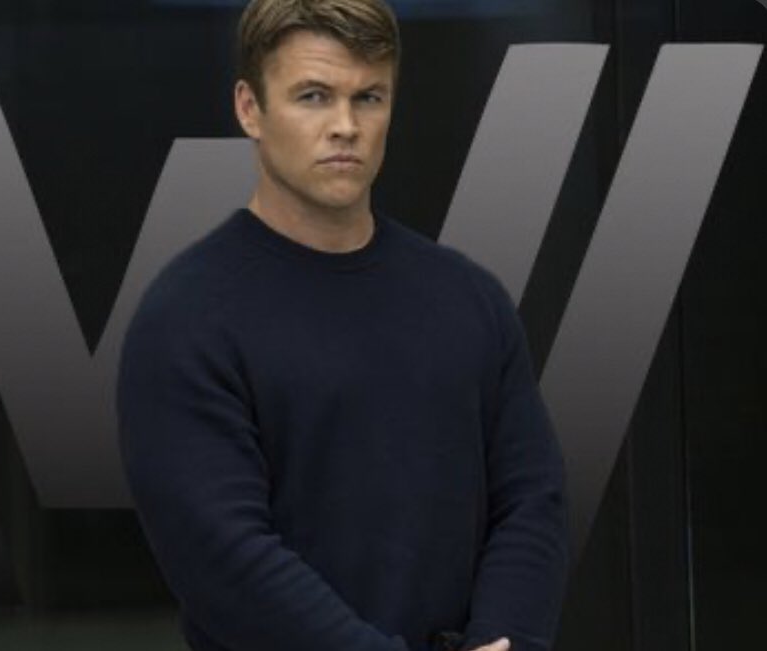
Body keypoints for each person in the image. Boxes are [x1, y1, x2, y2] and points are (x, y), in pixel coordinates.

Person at [116, 1, 569, 649]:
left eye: (368, 97)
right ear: (249, 108)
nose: (345, 126)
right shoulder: (185, 319)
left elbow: (530, 498)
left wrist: (506, 639)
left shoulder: (467, 298)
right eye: (313, 96)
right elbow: (225, 558)